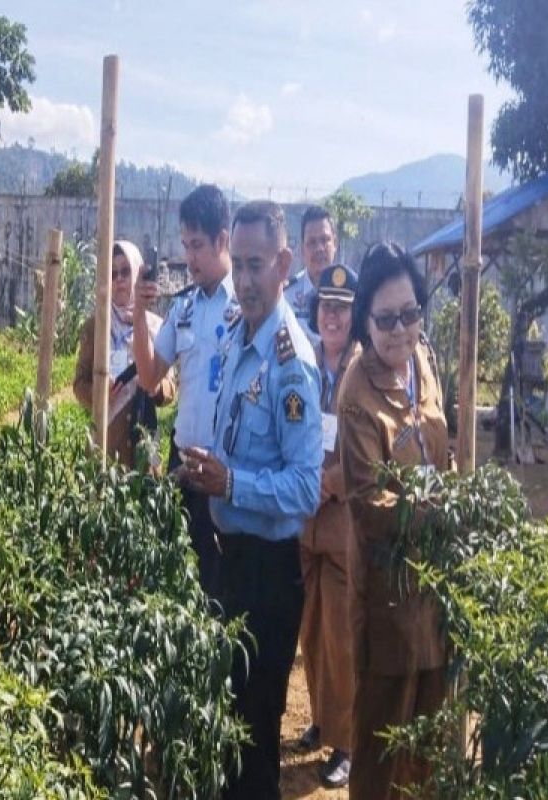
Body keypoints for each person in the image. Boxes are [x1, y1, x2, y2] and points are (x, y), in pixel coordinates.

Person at [178, 200, 322, 800]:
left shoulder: (293, 363)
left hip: (269, 574)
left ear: (284, 263)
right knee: (228, 723)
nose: (243, 279)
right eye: (236, 264)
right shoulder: (240, 333)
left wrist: (232, 483)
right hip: (230, 558)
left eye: (256, 264)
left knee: (256, 735)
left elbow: (306, 486)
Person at [337, 243, 452, 799]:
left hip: (435, 588)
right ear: (365, 320)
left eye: (411, 314)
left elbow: (440, 450)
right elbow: (369, 506)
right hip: (387, 596)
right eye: (386, 320)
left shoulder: (422, 359)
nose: (401, 331)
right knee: (383, 741)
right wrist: (446, 512)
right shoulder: (356, 394)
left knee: (429, 736)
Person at [132, 184, 239, 595]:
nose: (190, 257)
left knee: (220, 590)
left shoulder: (247, 307)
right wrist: (141, 312)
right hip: (184, 470)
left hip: (224, 472)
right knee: (182, 586)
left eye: (198, 245)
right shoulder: (185, 308)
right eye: (185, 245)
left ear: (222, 240)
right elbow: (148, 377)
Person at [296, 264, 363, 788]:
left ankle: (347, 741)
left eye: (341, 307)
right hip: (305, 518)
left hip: (342, 518)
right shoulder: (306, 358)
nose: (332, 316)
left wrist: (331, 482)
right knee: (312, 627)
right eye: (325, 307)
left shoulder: (363, 370)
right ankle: (321, 717)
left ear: (353, 313)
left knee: (342, 634)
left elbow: (374, 450)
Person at [73, 240, 176, 468]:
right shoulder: (96, 326)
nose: (119, 279)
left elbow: (171, 388)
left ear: (138, 274)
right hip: (106, 442)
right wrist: (99, 392)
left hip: (144, 444)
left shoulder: (156, 327)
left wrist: (156, 386)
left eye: (126, 271)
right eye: (113, 273)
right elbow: (79, 383)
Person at [285, 205, 338, 341]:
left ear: (335, 244)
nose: (319, 248)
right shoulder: (286, 297)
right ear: (303, 249)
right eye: (312, 242)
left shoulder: (350, 293)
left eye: (325, 240)